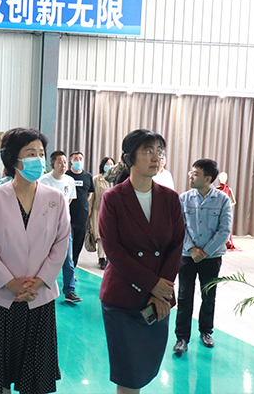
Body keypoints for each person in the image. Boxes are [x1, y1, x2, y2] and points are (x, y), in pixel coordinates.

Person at [0, 128, 70, 394]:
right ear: (13, 159)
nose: (39, 160)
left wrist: (40, 281)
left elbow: (61, 243)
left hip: (38, 296)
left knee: (34, 374)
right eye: (31, 153)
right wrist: (9, 282)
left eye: (41, 154)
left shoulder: (55, 198)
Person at [99, 129, 184, 393]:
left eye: (159, 151)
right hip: (123, 299)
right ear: (128, 158)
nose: (156, 157)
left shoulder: (170, 198)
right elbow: (114, 251)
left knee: (146, 370)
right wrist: (153, 285)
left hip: (158, 302)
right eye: (148, 151)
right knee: (128, 377)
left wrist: (162, 291)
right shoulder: (113, 198)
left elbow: (176, 246)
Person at [173, 159, 233, 354]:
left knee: (209, 296)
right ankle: (182, 337)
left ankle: (206, 331)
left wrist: (205, 252)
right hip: (187, 255)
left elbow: (224, 230)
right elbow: (179, 226)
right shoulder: (184, 198)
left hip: (212, 257)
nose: (191, 177)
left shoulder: (223, 200)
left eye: (195, 174)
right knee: (184, 296)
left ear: (208, 179)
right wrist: (192, 249)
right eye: (191, 173)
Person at [39, 150, 79, 303]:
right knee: (43, 259)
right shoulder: (44, 181)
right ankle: (42, 288)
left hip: (64, 227)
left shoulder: (70, 180)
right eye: (59, 162)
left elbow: (69, 200)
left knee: (68, 260)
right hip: (46, 227)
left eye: (64, 162)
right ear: (52, 164)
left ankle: (70, 291)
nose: (63, 165)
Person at [65, 151, 95, 295]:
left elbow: (90, 193)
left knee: (78, 244)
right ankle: (67, 272)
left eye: (80, 158)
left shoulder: (87, 176)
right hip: (68, 216)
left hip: (82, 216)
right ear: (71, 161)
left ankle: (73, 269)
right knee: (68, 246)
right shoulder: (66, 176)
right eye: (75, 159)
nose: (78, 161)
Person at [89, 156, 114, 270]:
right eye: (107, 164)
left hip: (111, 211)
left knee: (109, 234)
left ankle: (108, 257)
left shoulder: (115, 179)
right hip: (97, 210)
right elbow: (92, 196)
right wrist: (89, 211)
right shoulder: (96, 179)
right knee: (99, 235)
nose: (109, 166)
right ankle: (102, 258)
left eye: (111, 164)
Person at [216, 172, 237, 250]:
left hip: (226, 210)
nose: (223, 179)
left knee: (227, 225)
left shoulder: (229, 189)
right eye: (221, 177)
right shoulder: (216, 189)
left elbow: (234, 202)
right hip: (218, 210)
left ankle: (227, 242)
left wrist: (228, 205)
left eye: (224, 178)